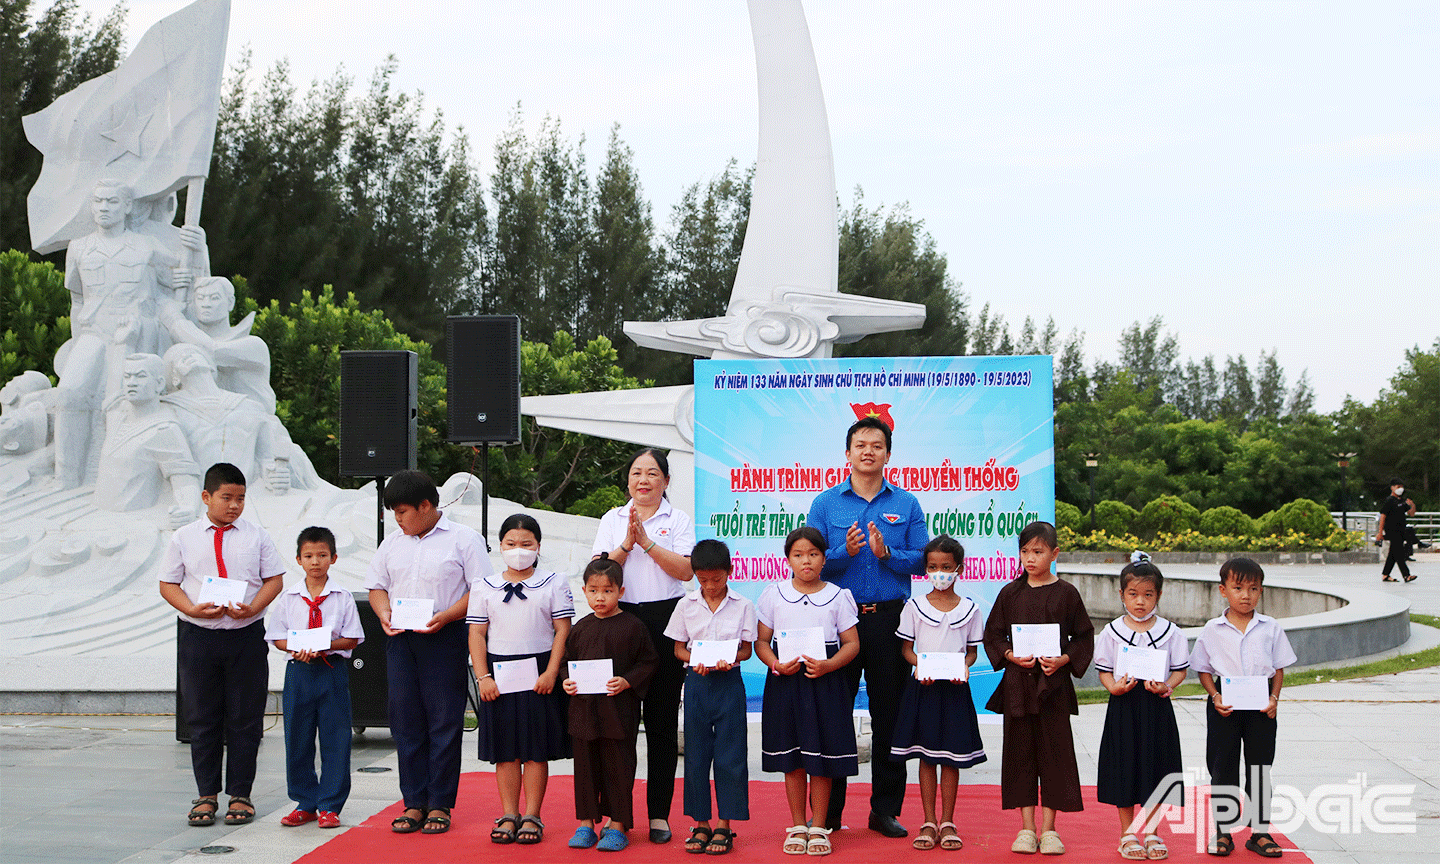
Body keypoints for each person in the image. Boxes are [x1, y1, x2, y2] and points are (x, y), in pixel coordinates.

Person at [806, 415, 928, 837]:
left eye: (876, 445)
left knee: (889, 716)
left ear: (888, 454)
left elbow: (924, 559)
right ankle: (830, 814)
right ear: (848, 453)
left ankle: (885, 810)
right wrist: (843, 550)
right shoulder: (825, 504)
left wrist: (886, 553)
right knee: (832, 714)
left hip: (889, 618)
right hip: (837, 621)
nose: (868, 451)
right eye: (860, 444)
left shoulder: (906, 503)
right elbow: (811, 558)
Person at [159, 462, 286, 828]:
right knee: (202, 717)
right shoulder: (183, 536)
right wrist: (192, 608)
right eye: (227, 498)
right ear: (206, 497)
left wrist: (255, 606)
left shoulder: (257, 535)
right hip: (199, 635)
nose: (234, 505)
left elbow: (274, 579)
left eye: (241, 498)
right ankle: (206, 795)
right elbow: (168, 584)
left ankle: (241, 795)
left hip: (246, 634)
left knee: (246, 718)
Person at [366, 470, 491, 836]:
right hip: (402, 638)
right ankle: (413, 802)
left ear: (426, 505)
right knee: (405, 721)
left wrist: (447, 615)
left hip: (444, 635)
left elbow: (481, 590)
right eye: (393, 513)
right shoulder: (392, 543)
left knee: (443, 721)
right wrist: (384, 614)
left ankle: (440, 804)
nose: (398, 519)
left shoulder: (464, 540)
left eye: (403, 511)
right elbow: (376, 587)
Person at [590, 447, 696, 843]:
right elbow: (600, 571)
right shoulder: (612, 519)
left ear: (666, 482)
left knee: (662, 722)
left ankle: (659, 815)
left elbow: (686, 571)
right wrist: (628, 544)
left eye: (653, 473)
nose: (644, 480)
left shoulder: (678, 519)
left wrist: (648, 543)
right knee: (616, 723)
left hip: (665, 619)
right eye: (637, 473)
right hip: (619, 620)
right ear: (628, 480)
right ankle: (617, 814)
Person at [982, 521, 1094, 856]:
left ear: (1054, 553)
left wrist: (1063, 660)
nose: (1031, 558)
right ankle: (1026, 828)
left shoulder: (1066, 593)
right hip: (1018, 685)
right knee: (1020, 755)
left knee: (1055, 755)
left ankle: (1050, 829)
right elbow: (994, 634)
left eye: (1038, 551)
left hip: (1053, 686)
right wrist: (1008, 654)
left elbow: (1084, 637)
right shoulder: (1010, 593)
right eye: (1026, 552)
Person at [468, 513, 574, 845]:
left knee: (535, 748)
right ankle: (509, 813)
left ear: (538, 546)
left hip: (540, 670)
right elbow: (476, 633)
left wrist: (551, 672)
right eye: (511, 544)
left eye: (526, 544)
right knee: (506, 749)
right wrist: (482, 676)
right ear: (500, 546)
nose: (518, 550)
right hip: (498, 673)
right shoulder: (484, 585)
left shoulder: (554, 581)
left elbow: (563, 630)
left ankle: (533, 815)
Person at [755, 526, 861, 857]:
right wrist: (774, 663)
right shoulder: (773, 594)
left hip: (824, 684)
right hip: (786, 682)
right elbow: (761, 641)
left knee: (822, 757)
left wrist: (829, 665)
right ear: (788, 559)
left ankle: (819, 825)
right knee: (793, 757)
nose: (806, 561)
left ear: (825, 558)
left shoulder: (838, 596)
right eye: (798, 555)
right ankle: (798, 824)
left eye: (813, 554)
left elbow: (852, 644)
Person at [1189, 558, 1296, 859]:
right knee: (1223, 766)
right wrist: (1214, 696)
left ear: (1261, 591)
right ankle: (1223, 832)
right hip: (1226, 701)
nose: (1245, 595)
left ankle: (1259, 833)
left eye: (1253, 588)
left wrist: (1274, 699)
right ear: (1224, 590)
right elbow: (1204, 669)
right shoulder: (1213, 629)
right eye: (1238, 588)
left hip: (1261, 702)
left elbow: (1278, 669)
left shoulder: (1270, 627)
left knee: (1260, 767)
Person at [889, 535, 986, 852]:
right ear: (925, 570)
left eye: (946, 567)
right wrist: (922, 665)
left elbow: (971, 653)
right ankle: (928, 821)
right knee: (926, 757)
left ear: (959, 568)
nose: (939, 572)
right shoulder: (914, 607)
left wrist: (963, 667)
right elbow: (907, 649)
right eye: (932, 567)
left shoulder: (970, 610)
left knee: (952, 757)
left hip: (955, 690)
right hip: (925, 688)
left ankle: (948, 821)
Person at [266, 526, 364, 829]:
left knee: (336, 737)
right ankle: (304, 802)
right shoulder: (289, 598)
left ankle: (330, 805)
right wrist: (296, 648)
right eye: (308, 556)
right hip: (299, 672)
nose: (315, 562)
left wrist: (325, 645)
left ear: (333, 558)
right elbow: (276, 637)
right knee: (297, 736)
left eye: (322, 555)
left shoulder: (342, 597)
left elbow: (352, 639)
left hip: (331, 671)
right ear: (298, 559)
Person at [663, 539, 757, 856]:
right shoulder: (686, 605)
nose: (711, 586)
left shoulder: (743, 605)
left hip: (729, 682)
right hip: (697, 683)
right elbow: (678, 648)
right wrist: (693, 659)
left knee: (731, 756)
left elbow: (746, 648)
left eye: (716, 579)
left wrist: (731, 658)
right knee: (697, 754)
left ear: (729, 573)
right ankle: (701, 823)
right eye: (703, 580)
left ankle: (724, 824)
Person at [1094, 552, 1188, 861]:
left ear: (1159, 595)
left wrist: (1168, 686)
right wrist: (1113, 687)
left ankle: (1152, 831)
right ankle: (1127, 832)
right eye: (1133, 594)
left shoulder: (1171, 632)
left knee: (1156, 765)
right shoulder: (1111, 632)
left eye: (1148, 595)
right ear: (1121, 595)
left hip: (1156, 707)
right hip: (1124, 705)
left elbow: (1180, 670)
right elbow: (1104, 670)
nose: (1140, 602)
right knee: (1126, 766)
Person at [563, 555, 659, 852]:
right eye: (593, 590)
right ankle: (585, 824)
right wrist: (567, 680)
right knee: (585, 767)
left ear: (621, 592)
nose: (600, 597)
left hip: (619, 712)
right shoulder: (580, 627)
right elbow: (567, 662)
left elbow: (649, 661)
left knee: (619, 765)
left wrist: (628, 681)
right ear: (584, 592)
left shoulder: (633, 626)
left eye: (607, 590)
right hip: (584, 711)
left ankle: (618, 825)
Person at [93, 353, 201, 524]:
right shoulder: (115, 416)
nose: (131, 382)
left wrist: (188, 507)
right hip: (97, 515)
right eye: (127, 377)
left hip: (131, 520)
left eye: (141, 376)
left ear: (159, 384)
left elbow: (184, 476)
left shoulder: (165, 429)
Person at [1377, 479, 1418, 583]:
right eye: (1397, 486)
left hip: (1401, 530)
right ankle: (1406, 575)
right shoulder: (1389, 501)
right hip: (1392, 530)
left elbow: (1411, 514)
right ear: (1392, 487)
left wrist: (1412, 505)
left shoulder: (1401, 501)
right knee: (1399, 553)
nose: (1400, 489)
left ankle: (1386, 575)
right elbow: (1383, 516)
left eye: (1401, 486)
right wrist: (1380, 532)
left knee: (1393, 553)